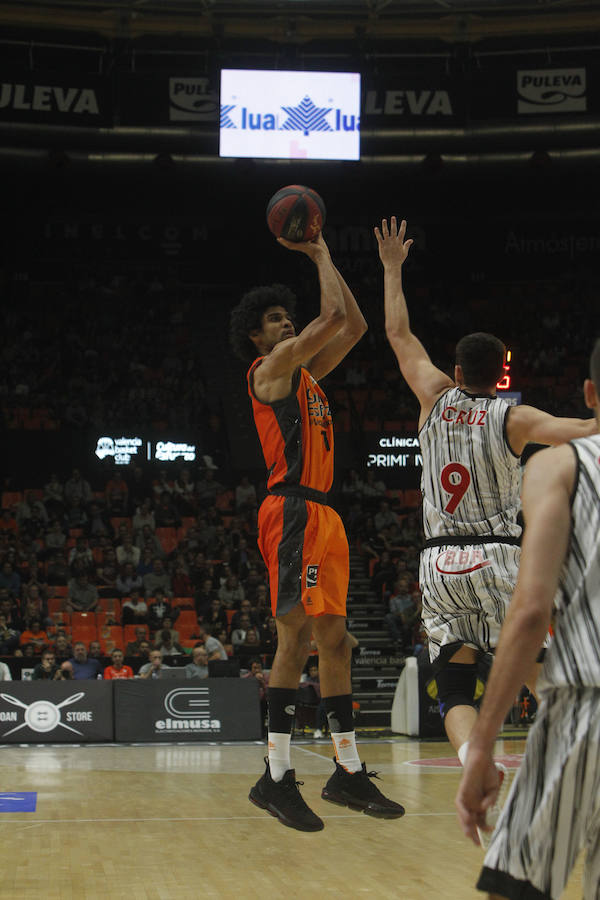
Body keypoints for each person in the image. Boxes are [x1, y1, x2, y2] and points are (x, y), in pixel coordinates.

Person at [375, 215, 598, 769]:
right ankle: (578, 757)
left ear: (453, 370)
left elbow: (398, 335)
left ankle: (475, 756)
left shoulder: (432, 396)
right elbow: (579, 430)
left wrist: (392, 269)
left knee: (453, 681)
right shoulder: (514, 416)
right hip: (498, 555)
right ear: (502, 373)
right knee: (539, 667)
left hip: (437, 561)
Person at [229, 230, 404, 832]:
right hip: (292, 510)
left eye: (286, 318)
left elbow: (350, 326)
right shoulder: (270, 369)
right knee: (295, 639)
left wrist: (332, 263)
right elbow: (330, 314)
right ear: (256, 334)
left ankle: (347, 771)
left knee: (337, 642)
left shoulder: (309, 376)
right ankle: (275, 777)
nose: (286, 325)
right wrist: (322, 252)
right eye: (275, 319)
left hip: (325, 514)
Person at [455, 339, 600, 900]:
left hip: (585, 708)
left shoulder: (559, 464)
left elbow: (530, 611)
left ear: (588, 395)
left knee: (514, 891)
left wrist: (484, 747)